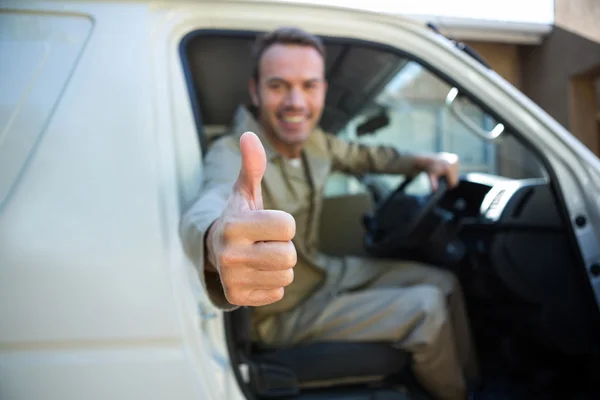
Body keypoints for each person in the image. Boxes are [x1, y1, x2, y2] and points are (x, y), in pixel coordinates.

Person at [180, 27, 479, 400]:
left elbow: (365, 156)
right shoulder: (233, 153)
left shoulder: (315, 142)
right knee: (427, 308)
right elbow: (208, 203)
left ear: (323, 89)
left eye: (309, 85)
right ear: (255, 91)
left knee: (445, 283)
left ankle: (476, 383)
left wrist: (424, 160)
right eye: (278, 86)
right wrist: (215, 238)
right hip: (281, 312)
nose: (296, 101)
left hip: (323, 273)